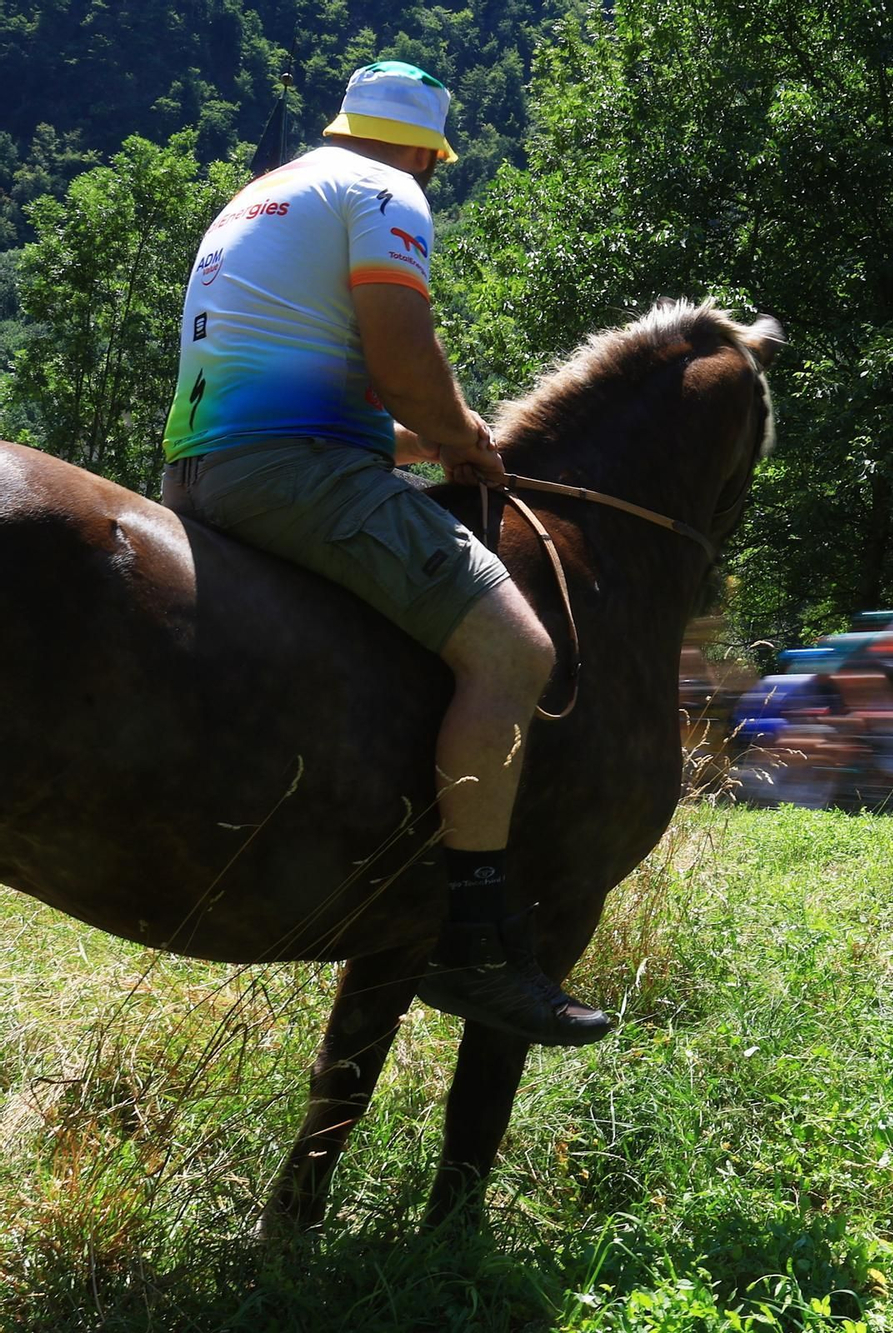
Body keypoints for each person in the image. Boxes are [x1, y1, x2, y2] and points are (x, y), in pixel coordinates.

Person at [159, 61, 611, 1047]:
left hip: (201, 469)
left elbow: (328, 383)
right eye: (435, 162)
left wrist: (432, 441)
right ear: (421, 148)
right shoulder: (386, 191)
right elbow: (404, 361)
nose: (431, 177)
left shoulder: (265, 194)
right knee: (512, 653)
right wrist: (456, 431)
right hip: (288, 471)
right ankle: (475, 941)